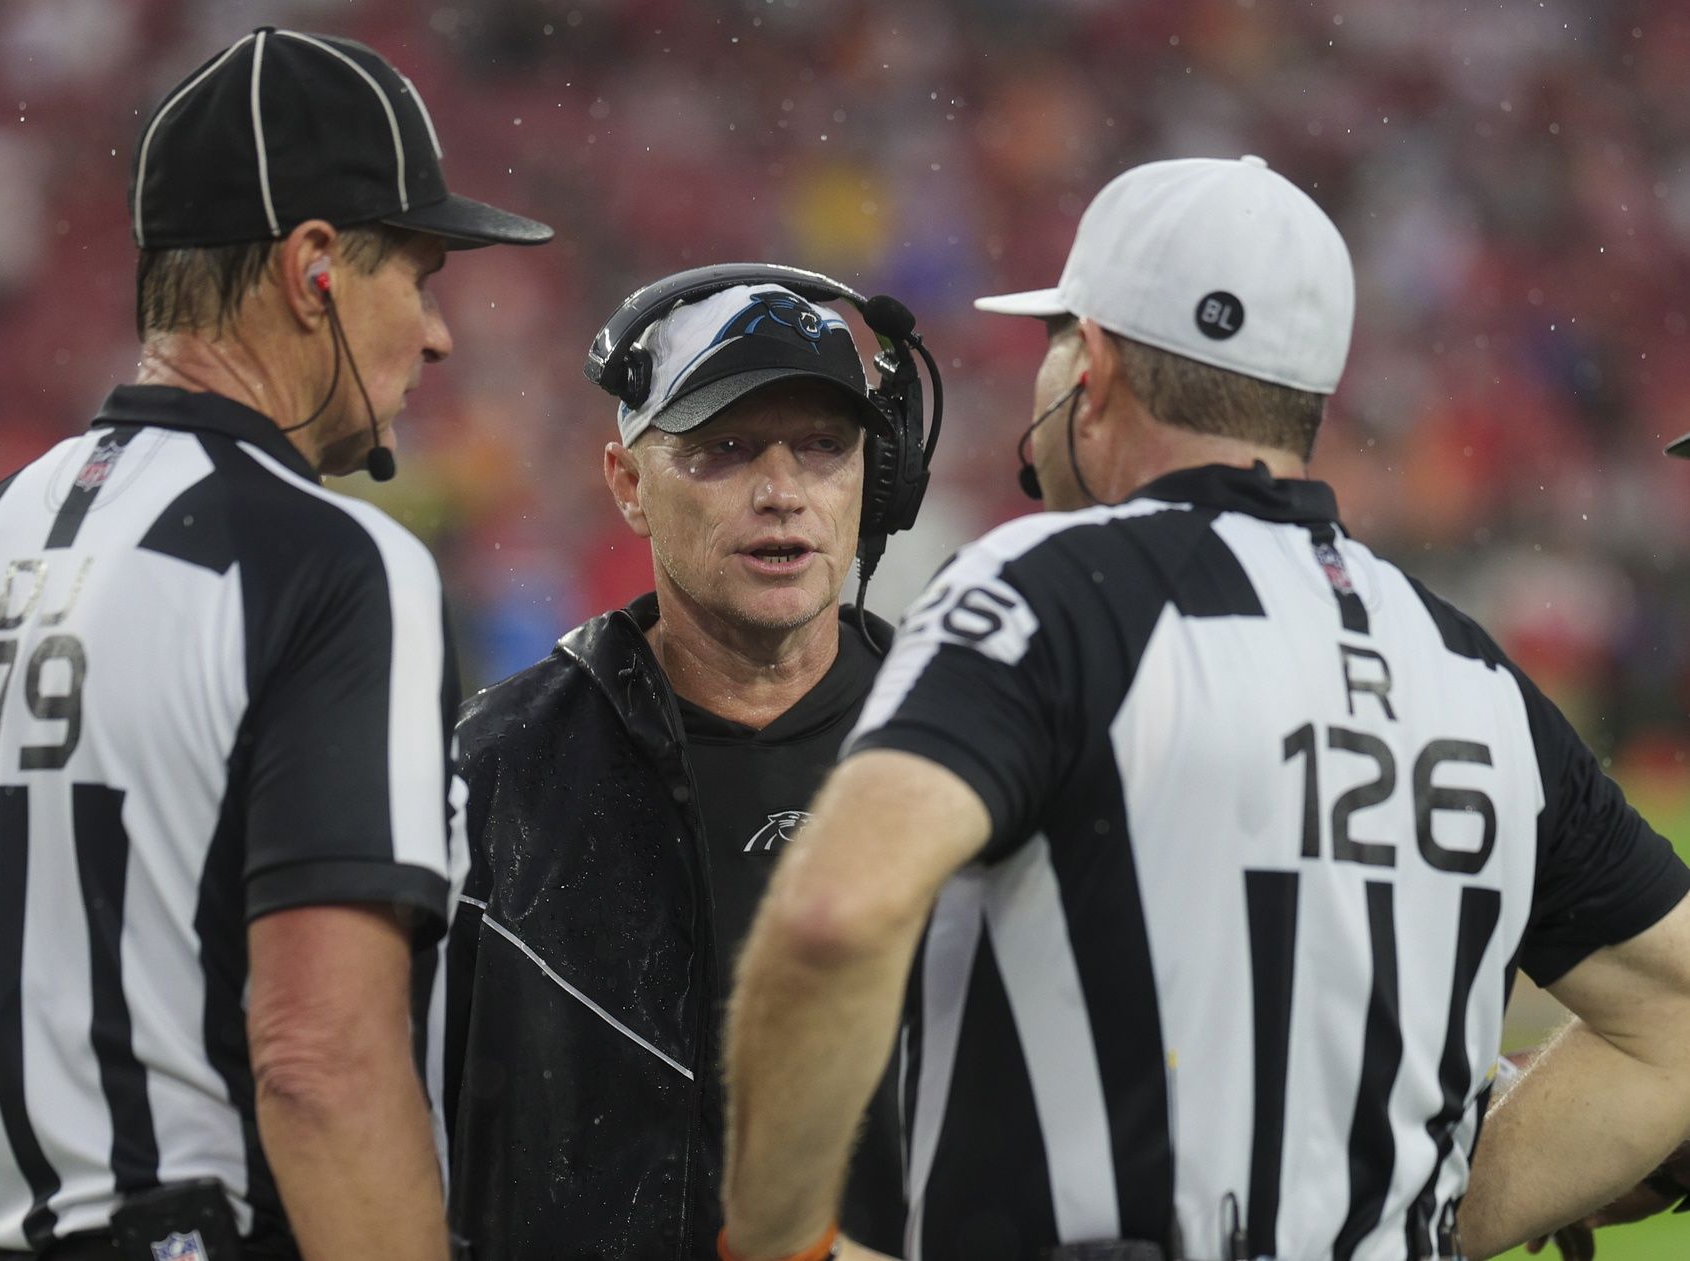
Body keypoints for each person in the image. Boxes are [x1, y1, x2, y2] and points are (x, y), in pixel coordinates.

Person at [720, 156, 1690, 1261]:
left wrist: (779, 1244)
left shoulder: (1045, 591)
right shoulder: (1471, 671)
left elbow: (832, 918)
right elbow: (1677, 1016)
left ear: (1091, 366)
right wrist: (1427, 1223)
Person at [0, 28, 549, 1261]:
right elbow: (316, 1062)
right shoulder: (336, 568)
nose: (436, 335)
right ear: (314, 266)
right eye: (415, 275)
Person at [438, 266, 936, 1260]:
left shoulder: (966, 748)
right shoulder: (492, 773)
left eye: (824, 448)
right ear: (627, 484)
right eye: (725, 449)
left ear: (872, 482)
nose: (782, 492)